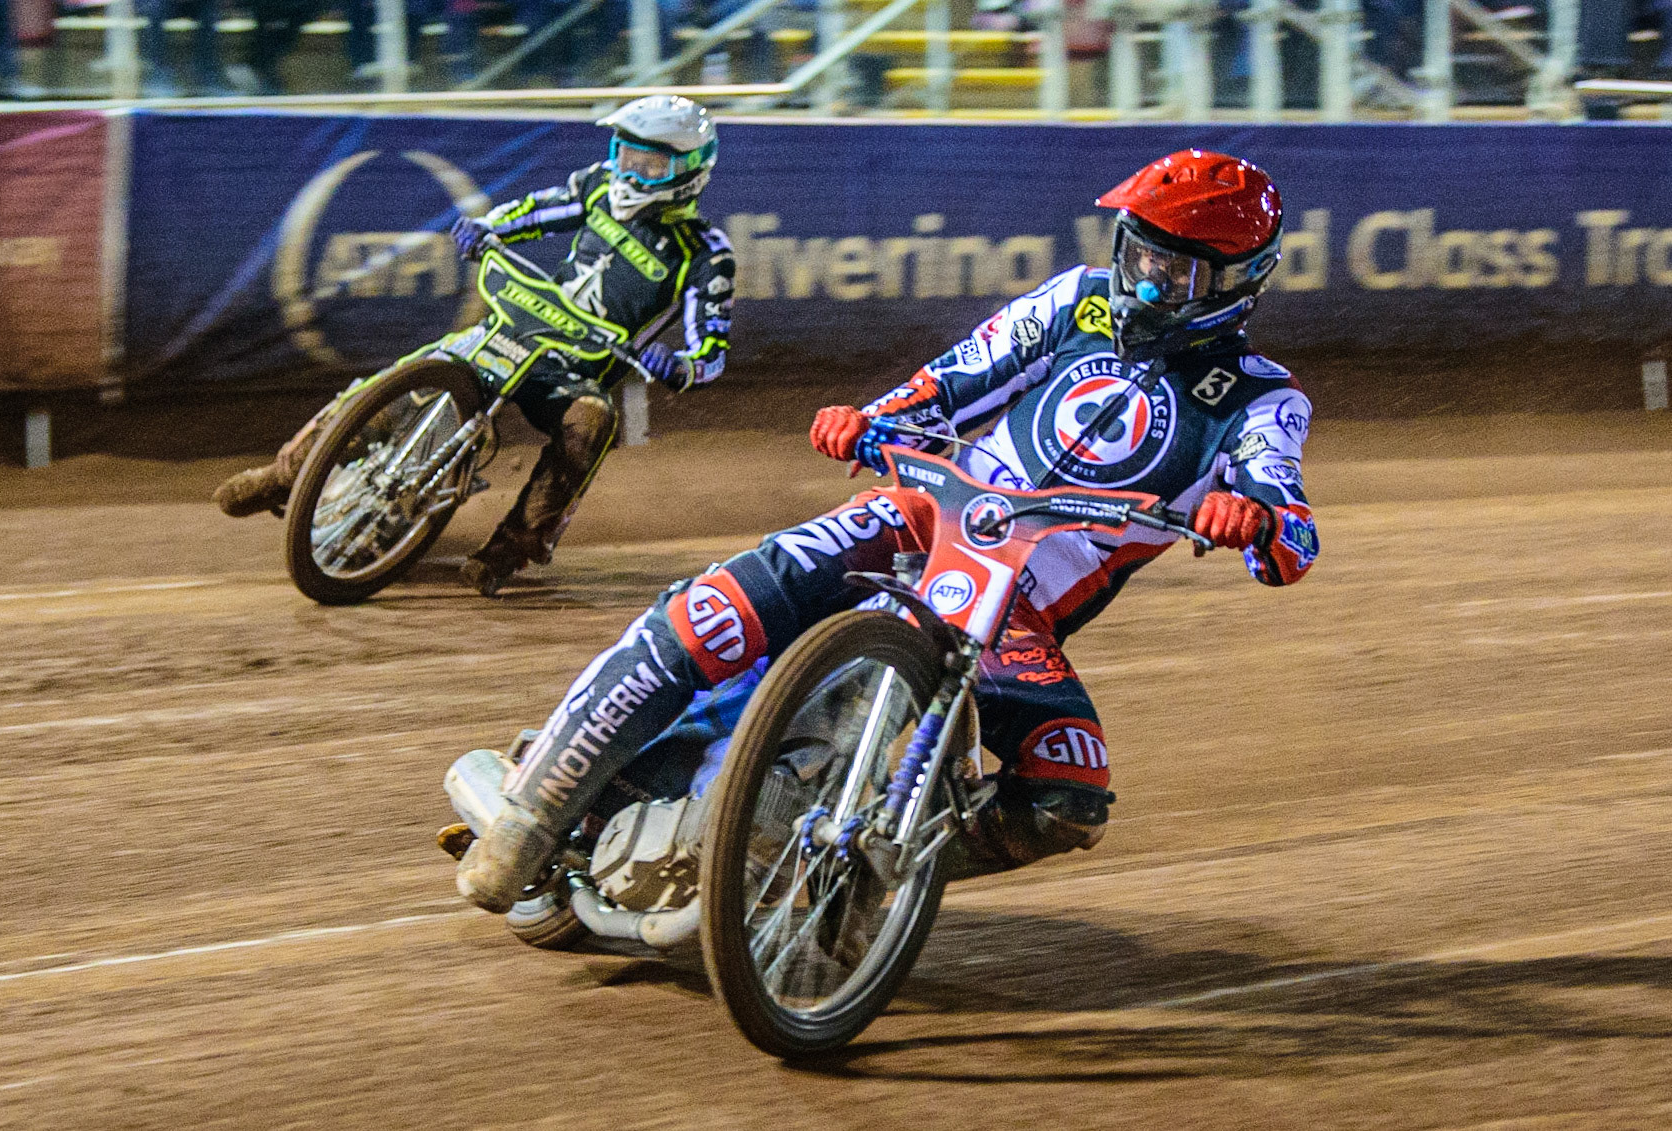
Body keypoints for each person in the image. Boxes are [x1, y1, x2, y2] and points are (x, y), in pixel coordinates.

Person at [452, 149, 1320, 920]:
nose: (1142, 284)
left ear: (1240, 280)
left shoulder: (1261, 399)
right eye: (1136, 257)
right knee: (718, 609)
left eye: (1172, 274)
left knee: (1068, 792)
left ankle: (878, 877)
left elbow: (1290, 532)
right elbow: (957, 376)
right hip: (929, 512)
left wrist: (1254, 519)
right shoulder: (1072, 302)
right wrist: (873, 419)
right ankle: (533, 809)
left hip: (1014, 605)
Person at [213, 94, 736, 596]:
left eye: (651, 167)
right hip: (518, 325)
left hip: (576, 369)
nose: (630, 174)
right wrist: (488, 228)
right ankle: (288, 475)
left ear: (689, 173)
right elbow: (538, 209)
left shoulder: (705, 253)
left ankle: (514, 547)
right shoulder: (599, 187)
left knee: (593, 423)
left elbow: (711, 355)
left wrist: (681, 366)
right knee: (406, 382)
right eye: (625, 156)